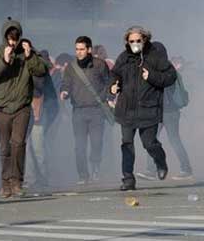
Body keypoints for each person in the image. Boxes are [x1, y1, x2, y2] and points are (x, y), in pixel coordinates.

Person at [0, 17, 47, 198]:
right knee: (5, 147)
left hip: (22, 106)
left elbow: (41, 70)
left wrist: (29, 56)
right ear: (5, 38)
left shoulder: (27, 52)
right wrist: (4, 60)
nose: (13, 42)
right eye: (10, 38)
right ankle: (5, 183)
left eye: (15, 38)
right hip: (2, 107)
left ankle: (17, 181)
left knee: (18, 144)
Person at [110, 26, 177, 191]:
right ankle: (128, 179)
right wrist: (113, 86)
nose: (134, 44)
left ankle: (160, 162)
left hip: (148, 109)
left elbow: (171, 76)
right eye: (131, 41)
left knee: (149, 143)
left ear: (145, 40)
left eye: (138, 40)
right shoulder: (123, 57)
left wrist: (152, 76)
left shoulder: (155, 56)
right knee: (126, 144)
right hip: (126, 109)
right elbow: (114, 74)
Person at [60, 36, 110, 184]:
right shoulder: (71, 67)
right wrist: (64, 92)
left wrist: (107, 97)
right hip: (78, 111)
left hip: (96, 111)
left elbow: (109, 82)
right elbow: (66, 83)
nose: (79, 52)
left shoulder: (100, 65)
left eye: (82, 49)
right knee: (79, 146)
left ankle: (95, 168)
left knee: (96, 143)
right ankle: (83, 175)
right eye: (77, 49)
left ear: (89, 49)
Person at [137, 55, 193, 181]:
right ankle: (150, 170)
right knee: (151, 140)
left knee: (173, 139)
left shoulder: (168, 73)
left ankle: (186, 169)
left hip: (169, 112)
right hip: (159, 111)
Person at [25, 50, 59, 189]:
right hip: (30, 114)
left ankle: (42, 178)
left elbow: (45, 95)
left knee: (37, 148)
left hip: (38, 114)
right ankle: (31, 178)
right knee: (28, 148)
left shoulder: (41, 73)